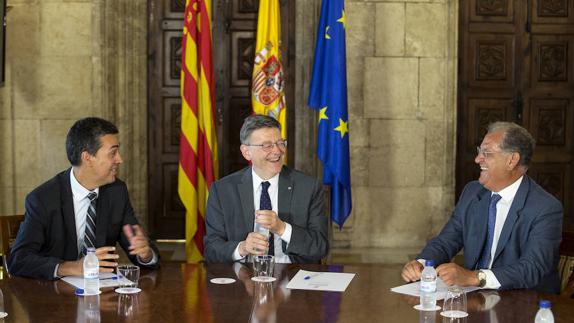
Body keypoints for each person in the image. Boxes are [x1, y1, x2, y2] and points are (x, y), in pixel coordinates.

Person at [401, 122, 563, 294]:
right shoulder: (472, 192)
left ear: (511, 160)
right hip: (476, 299)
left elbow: (532, 268)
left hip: (525, 302)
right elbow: (447, 240)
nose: (478, 159)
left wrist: (474, 277)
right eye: (480, 151)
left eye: (487, 153)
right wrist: (423, 264)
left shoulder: (545, 208)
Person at [8, 117, 159, 280]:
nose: (120, 159)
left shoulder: (117, 192)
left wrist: (145, 253)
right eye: (113, 153)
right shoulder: (42, 199)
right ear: (87, 158)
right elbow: (19, 260)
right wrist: (71, 267)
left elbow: (137, 247)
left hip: (102, 294)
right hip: (54, 296)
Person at [204, 115, 328, 263]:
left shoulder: (308, 187)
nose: (277, 151)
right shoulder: (222, 190)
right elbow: (211, 249)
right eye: (267, 145)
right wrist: (242, 248)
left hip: (292, 275)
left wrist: (282, 228)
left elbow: (320, 247)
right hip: (243, 277)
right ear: (246, 152)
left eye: (280, 143)